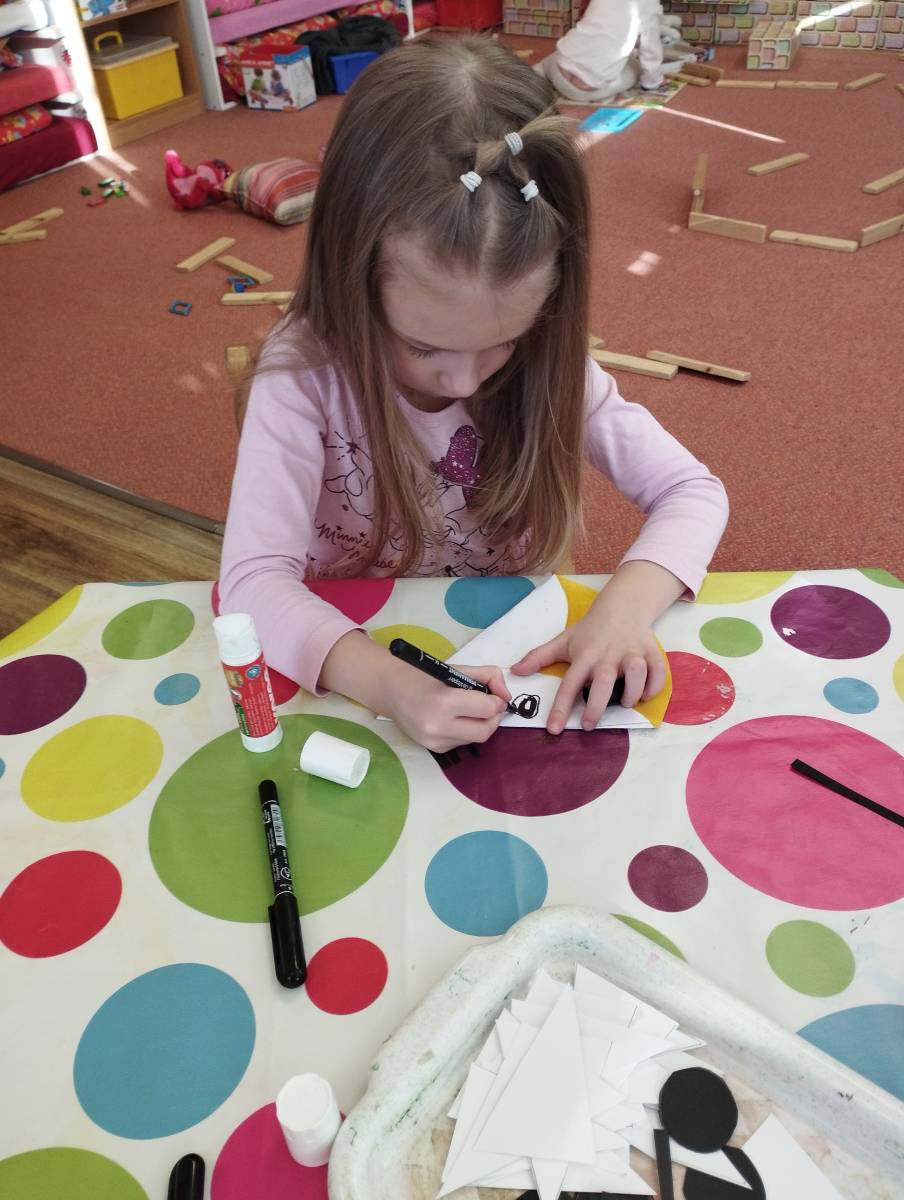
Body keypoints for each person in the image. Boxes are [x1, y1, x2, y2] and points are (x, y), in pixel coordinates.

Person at [219, 35, 728, 753]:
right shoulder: (301, 375)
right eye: (424, 347)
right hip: (347, 646)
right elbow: (251, 585)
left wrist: (624, 609)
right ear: (348, 281)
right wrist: (387, 683)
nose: (464, 383)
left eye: (504, 341)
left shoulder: (552, 357)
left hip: (511, 634)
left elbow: (691, 491)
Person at [537, 0, 668, 103]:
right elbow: (650, 52)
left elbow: (604, 28)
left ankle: (535, 73)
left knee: (575, 48)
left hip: (558, 67)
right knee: (636, 65)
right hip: (580, 91)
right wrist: (653, 82)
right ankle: (649, 80)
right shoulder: (650, 6)